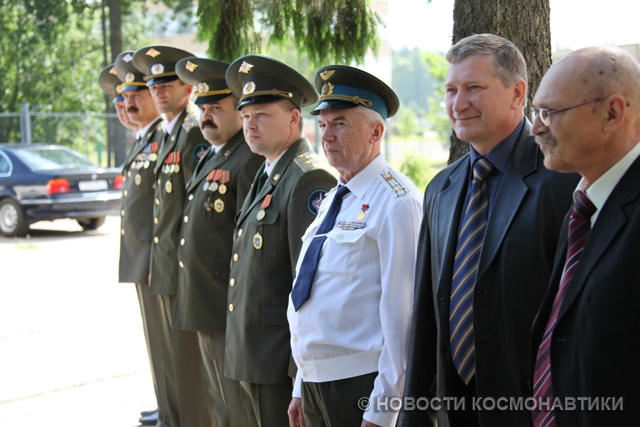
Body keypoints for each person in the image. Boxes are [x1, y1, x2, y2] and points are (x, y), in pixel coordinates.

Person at [400, 34, 579, 427]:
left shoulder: (564, 181)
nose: (458, 103)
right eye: (451, 90)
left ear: (518, 94)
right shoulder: (440, 188)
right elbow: (427, 316)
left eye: (474, 88)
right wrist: (412, 414)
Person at [286, 65, 422, 427]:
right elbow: (313, 293)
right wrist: (302, 383)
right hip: (317, 382)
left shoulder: (397, 202)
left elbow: (404, 319)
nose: (327, 136)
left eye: (340, 124)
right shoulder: (336, 197)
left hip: (360, 385)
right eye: (323, 125)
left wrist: (383, 409)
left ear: (376, 132)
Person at [223, 55, 337, 427]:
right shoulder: (269, 171)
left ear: (293, 118)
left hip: (277, 360)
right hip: (252, 350)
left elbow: (308, 284)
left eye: (261, 115)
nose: (249, 125)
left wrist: (297, 371)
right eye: (245, 116)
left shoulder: (308, 178)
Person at [529, 45, 640, 427]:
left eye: (549, 112)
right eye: (536, 112)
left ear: (612, 113)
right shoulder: (583, 206)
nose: (536, 128)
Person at [173, 56, 264, 427]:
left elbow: (249, 244)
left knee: (235, 406)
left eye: (216, 108)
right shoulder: (214, 155)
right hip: (204, 300)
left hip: (226, 305)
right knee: (219, 403)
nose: (206, 116)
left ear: (239, 110)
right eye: (203, 108)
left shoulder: (248, 159)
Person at [132, 45, 210, 427]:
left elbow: (194, 207)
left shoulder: (192, 131)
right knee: (169, 352)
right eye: (154, 86)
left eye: (167, 85)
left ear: (187, 89)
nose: (159, 92)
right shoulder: (169, 131)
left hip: (181, 265)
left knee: (187, 361)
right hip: (164, 261)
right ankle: (172, 417)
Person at [114, 50, 170, 427]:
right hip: (144, 257)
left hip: (156, 258)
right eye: (124, 97)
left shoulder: (165, 136)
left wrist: (155, 256)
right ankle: (165, 405)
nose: (128, 103)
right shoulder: (146, 138)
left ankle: (172, 409)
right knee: (156, 340)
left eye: (136, 95)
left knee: (167, 343)